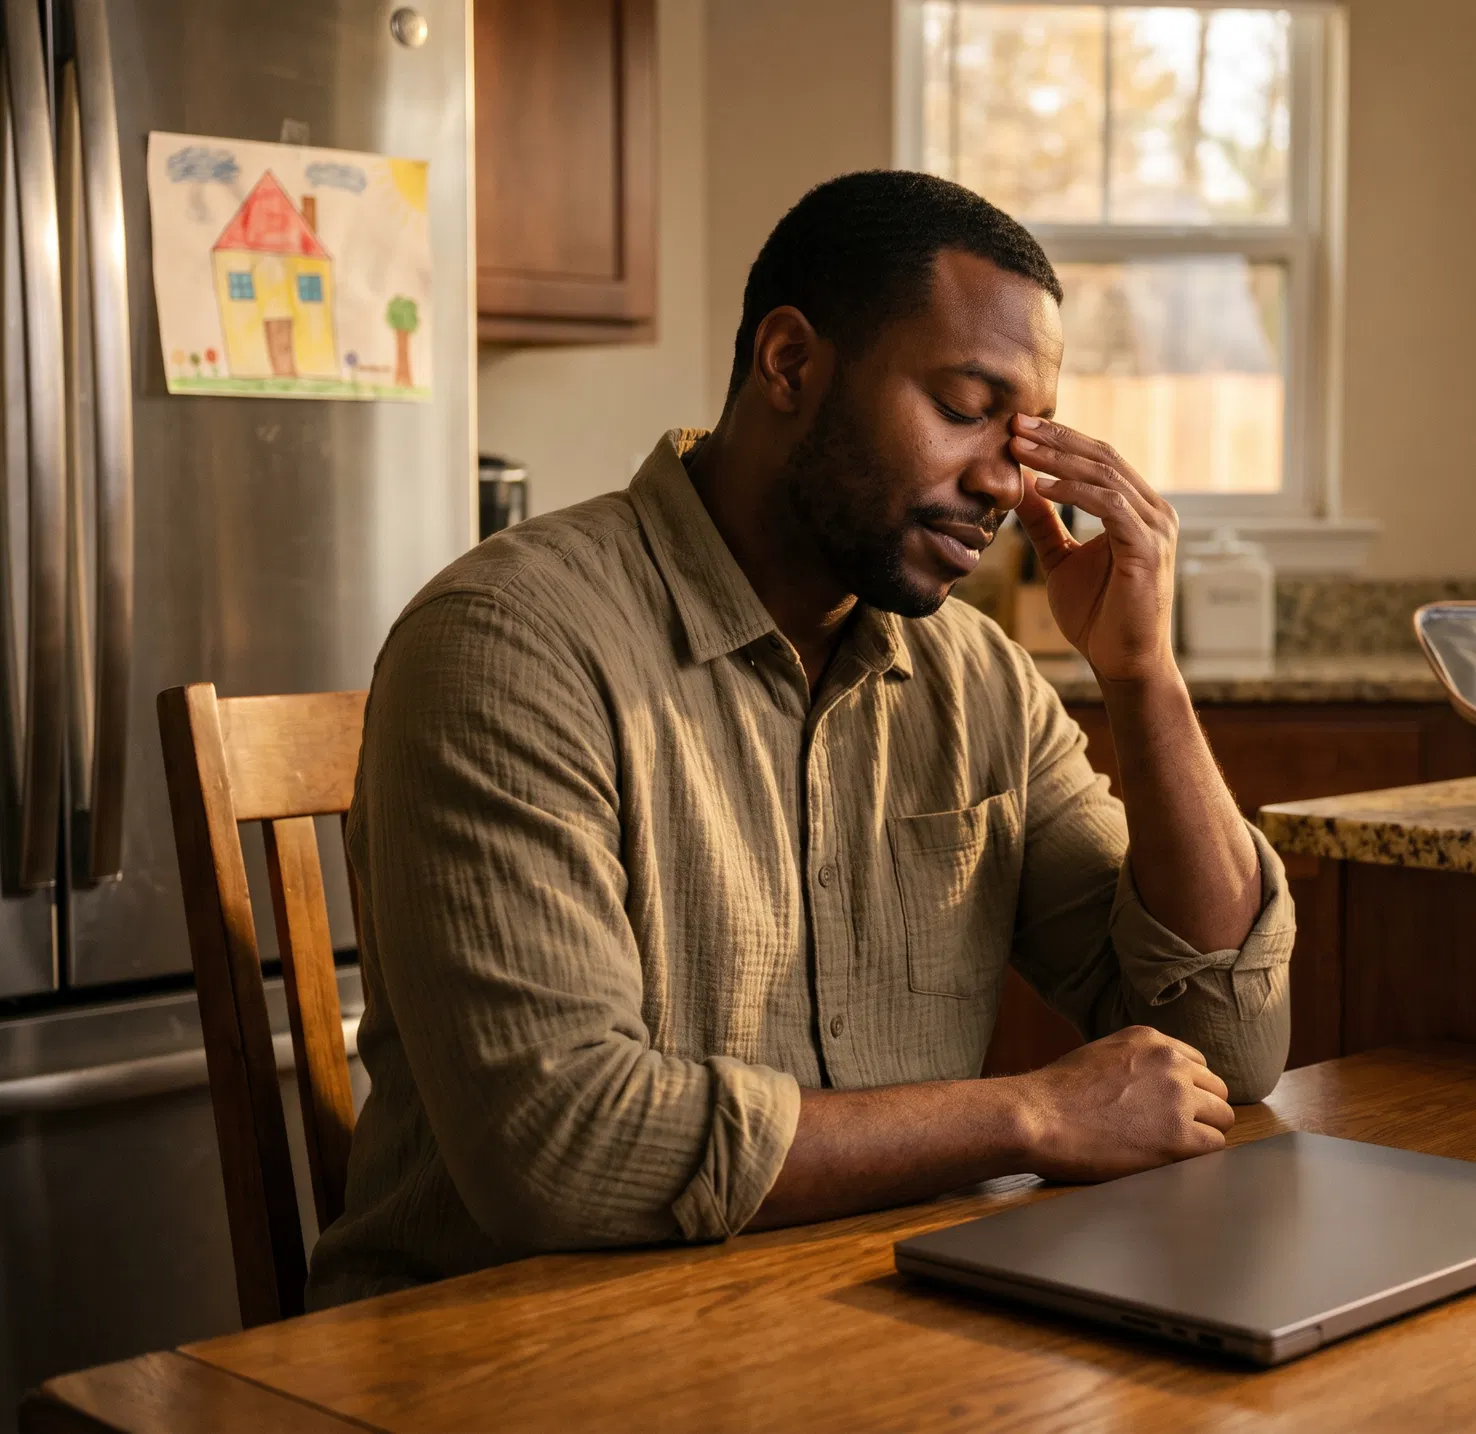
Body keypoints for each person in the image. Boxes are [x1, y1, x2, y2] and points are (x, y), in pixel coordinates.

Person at [306, 170, 1295, 1308]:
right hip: (506, 1354)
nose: (1005, 482)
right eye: (967, 407)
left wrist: (1142, 676)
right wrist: (1032, 1113)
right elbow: (562, 1149)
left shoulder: (979, 681)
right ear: (789, 363)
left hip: (865, 1324)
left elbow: (1224, 1045)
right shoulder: (507, 644)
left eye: (1026, 436)